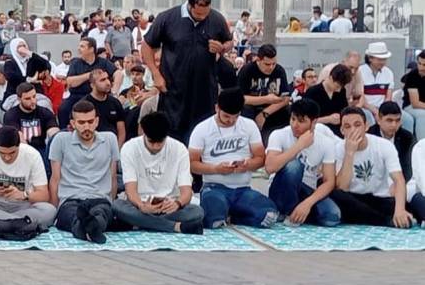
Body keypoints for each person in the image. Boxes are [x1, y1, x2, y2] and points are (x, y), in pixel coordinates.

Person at [144, 0, 234, 141]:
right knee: (172, 134)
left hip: (205, 90)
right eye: (198, 14)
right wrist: (156, 74)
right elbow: (147, 45)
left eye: (206, 14)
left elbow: (229, 41)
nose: (202, 17)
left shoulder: (216, 19)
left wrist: (223, 47)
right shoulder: (168, 18)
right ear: (190, 5)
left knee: (202, 134)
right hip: (174, 89)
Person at [188, 88, 278, 230]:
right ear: (217, 108)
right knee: (213, 220)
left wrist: (247, 165)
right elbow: (192, 164)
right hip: (214, 187)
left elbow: (260, 158)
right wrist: (215, 168)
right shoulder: (202, 129)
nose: (231, 121)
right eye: (226, 116)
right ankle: (225, 213)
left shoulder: (249, 125)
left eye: (235, 117)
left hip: (243, 189)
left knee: (269, 216)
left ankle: (235, 215)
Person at [113, 111, 204, 234]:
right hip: (140, 206)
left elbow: (186, 191)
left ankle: (139, 222)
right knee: (118, 206)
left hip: (170, 206)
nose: (155, 146)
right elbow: (130, 189)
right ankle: (176, 227)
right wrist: (142, 205)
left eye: (160, 142)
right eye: (151, 142)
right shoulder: (130, 148)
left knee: (197, 212)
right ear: (144, 134)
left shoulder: (179, 148)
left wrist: (177, 203)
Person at [49, 100, 118, 243]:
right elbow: (55, 178)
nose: (87, 126)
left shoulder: (110, 139)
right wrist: (54, 210)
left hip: (100, 198)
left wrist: (111, 201)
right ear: (73, 123)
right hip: (71, 199)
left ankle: (86, 228)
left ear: (97, 121)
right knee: (72, 214)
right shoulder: (60, 140)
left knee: (102, 213)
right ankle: (88, 228)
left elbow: (113, 177)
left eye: (90, 121)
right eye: (81, 123)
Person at [264, 98, 341, 227]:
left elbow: (329, 181)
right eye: (293, 119)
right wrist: (299, 145)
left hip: (306, 190)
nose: (295, 125)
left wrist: (308, 203)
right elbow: (269, 167)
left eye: (301, 121)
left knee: (332, 217)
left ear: (314, 122)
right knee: (294, 166)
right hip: (281, 189)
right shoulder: (279, 135)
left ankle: (299, 213)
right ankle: (285, 212)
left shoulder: (326, 143)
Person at [331, 107, 413, 228]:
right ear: (342, 130)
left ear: (366, 126)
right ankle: (383, 221)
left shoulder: (384, 145)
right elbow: (342, 186)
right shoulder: (338, 148)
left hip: (378, 197)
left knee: (401, 204)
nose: (353, 130)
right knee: (335, 194)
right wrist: (349, 153)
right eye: (348, 127)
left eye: (357, 125)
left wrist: (399, 210)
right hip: (353, 197)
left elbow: (399, 179)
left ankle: (371, 218)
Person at [0, 126, 57, 228]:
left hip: (23, 206)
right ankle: (19, 223)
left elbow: (43, 195)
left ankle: (0, 223)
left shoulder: (32, 155)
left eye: (12, 153)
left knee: (49, 210)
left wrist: (24, 195)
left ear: (19, 147)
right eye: (2, 153)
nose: (7, 157)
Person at [58, 36, 118, 128]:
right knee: (63, 109)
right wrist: (90, 75)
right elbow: (70, 82)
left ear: (91, 49)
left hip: (99, 96)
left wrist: (114, 90)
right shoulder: (75, 63)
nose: (79, 49)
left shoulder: (103, 62)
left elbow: (118, 74)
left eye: (82, 46)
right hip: (77, 96)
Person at [238, 43, 290, 136]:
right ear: (258, 60)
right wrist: (266, 99)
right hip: (251, 108)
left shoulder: (279, 70)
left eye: (274, 64)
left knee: (287, 110)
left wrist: (265, 113)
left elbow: (285, 98)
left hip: (272, 109)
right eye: (267, 64)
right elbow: (242, 98)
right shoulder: (247, 70)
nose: (271, 67)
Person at [3, 82, 58, 156]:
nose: (33, 101)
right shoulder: (11, 115)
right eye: (27, 99)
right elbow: (19, 138)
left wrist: (56, 138)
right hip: (20, 151)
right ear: (19, 99)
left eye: (34, 96)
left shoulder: (45, 112)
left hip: (42, 150)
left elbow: (54, 132)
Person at [368, 100, 414, 181]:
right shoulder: (368, 136)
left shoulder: (407, 138)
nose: (394, 125)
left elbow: (407, 168)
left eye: (397, 120)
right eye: (389, 120)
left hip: (399, 182)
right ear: (379, 120)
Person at [303, 62, 351, 136]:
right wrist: (328, 119)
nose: (338, 90)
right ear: (331, 78)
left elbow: (345, 111)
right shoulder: (312, 92)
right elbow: (304, 119)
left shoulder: (341, 91)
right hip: (318, 133)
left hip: (338, 133)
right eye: (337, 86)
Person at [86, 68, 127, 146]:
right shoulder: (84, 104)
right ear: (92, 85)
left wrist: (117, 151)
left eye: (108, 78)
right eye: (102, 80)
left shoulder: (115, 103)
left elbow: (121, 132)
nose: (108, 83)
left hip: (112, 146)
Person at [359, 41, 394, 123]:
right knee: (368, 117)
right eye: (379, 59)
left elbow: (388, 97)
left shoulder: (388, 72)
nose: (382, 62)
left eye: (384, 59)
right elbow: (361, 97)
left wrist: (383, 111)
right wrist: (375, 111)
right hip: (366, 108)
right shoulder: (360, 71)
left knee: (406, 119)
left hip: (382, 108)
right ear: (370, 58)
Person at [401, 49, 425, 140]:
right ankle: (422, 147)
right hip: (411, 106)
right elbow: (415, 103)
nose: (421, 67)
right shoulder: (413, 75)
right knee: (423, 115)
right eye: (419, 63)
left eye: (424, 65)